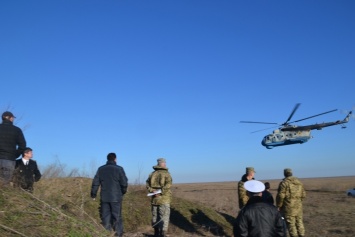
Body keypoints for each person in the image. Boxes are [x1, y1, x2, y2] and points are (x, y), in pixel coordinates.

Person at [91, 153, 128, 237]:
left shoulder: (101, 169)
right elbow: (124, 183)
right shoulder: (119, 169)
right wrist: (122, 192)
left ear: (107, 159)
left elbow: (95, 183)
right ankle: (118, 234)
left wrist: (93, 194)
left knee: (105, 217)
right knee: (117, 217)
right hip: (116, 197)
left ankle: (107, 234)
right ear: (115, 159)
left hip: (104, 197)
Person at [146, 158, 173, 237]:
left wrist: (153, 191)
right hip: (164, 199)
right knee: (164, 217)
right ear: (161, 164)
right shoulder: (166, 174)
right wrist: (160, 191)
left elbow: (147, 184)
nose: (165, 164)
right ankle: (163, 234)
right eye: (164, 162)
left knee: (155, 216)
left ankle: (156, 233)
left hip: (154, 199)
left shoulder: (152, 174)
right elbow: (168, 184)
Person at [276, 168, 306, 237]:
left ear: (285, 174)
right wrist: (298, 201)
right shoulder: (299, 183)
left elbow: (281, 196)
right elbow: (304, 194)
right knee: (299, 222)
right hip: (298, 207)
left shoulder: (284, 183)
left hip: (289, 208)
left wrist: (279, 205)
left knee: (291, 225)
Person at [0, 111, 26, 184]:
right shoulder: (16, 130)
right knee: (5, 184)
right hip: (9, 159)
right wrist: (15, 155)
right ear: (11, 118)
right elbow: (22, 145)